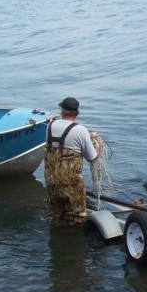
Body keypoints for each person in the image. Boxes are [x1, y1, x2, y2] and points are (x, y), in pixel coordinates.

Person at [44, 97, 100, 226]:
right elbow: (92, 159)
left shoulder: (49, 127)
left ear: (62, 111)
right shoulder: (81, 130)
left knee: (55, 217)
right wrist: (97, 144)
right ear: (77, 113)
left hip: (52, 183)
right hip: (71, 187)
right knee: (76, 220)